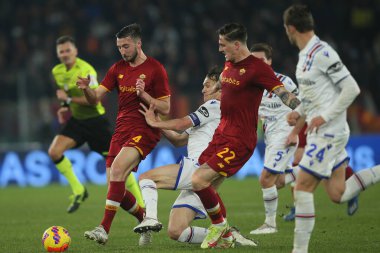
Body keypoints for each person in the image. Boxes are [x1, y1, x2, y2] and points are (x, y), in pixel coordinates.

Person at [190, 23, 301, 249]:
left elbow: (282, 93)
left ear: (237, 44)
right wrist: (216, 87)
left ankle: (220, 226)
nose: (220, 49)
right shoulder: (229, 62)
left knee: (198, 180)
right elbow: (226, 76)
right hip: (222, 132)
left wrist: (301, 110)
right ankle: (227, 233)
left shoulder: (258, 69)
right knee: (204, 183)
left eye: (223, 45)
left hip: (239, 139)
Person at [283, 5, 380, 252]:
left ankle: (299, 250)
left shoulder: (322, 52)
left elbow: (351, 89)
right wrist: (298, 124)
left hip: (329, 133)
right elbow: (311, 99)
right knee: (339, 193)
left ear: (290, 28)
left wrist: (324, 116)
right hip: (321, 131)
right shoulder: (304, 56)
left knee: (302, 187)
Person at [134, 66, 257, 247]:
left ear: (220, 88)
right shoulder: (214, 112)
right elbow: (178, 140)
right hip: (202, 175)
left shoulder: (215, 105)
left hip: (199, 166)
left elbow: (182, 123)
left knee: (146, 178)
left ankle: (150, 219)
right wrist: (157, 123)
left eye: (207, 85)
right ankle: (228, 237)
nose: (203, 89)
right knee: (176, 231)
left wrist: (154, 122)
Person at [77, 24, 171, 245]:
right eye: (119, 47)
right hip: (121, 129)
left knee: (118, 170)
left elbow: (166, 108)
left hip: (145, 128)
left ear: (139, 44)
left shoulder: (156, 69)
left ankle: (103, 229)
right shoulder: (116, 68)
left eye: (126, 46)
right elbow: (96, 97)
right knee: (114, 184)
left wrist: (144, 95)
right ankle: (145, 219)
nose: (122, 51)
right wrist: (87, 90)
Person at [49, 36, 143, 214]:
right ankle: (79, 190)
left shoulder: (86, 70)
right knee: (54, 151)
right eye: (61, 51)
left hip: (96, 123)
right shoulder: (57, 71)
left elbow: (94, 100)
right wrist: (64, 107)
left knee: (118, 165)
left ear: (75, 51)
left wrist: (67, 99)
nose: (65, 54)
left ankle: (141, 202)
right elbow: (66, 93)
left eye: (68, 50)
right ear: (57, 54)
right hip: (77, 121)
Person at [248, 43, 299, 235]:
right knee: (277, 182)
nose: (257, 64)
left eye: (261, 60)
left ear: (270, 61)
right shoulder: (251, 85)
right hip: (271, 137)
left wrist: (295, 133)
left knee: (265, 179)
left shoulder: (284, 82)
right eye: (254, 60)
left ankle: (270, 224)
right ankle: (308, 170)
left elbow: (301, 107)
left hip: (284, 135)